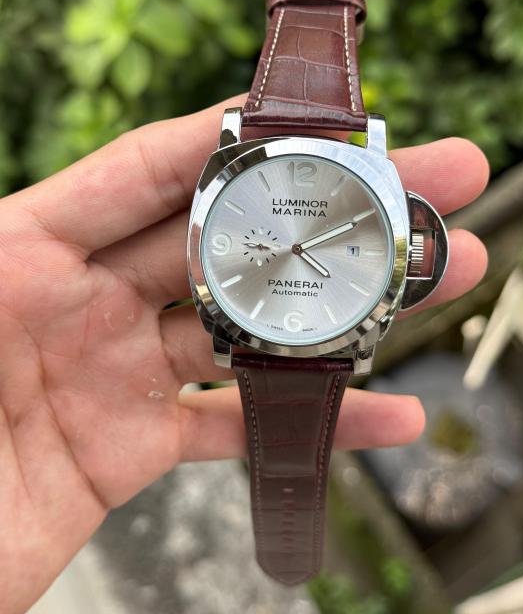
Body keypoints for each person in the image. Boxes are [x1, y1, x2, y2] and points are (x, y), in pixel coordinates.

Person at [0, 94, 489, 613]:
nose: (297, 247)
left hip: (305, 329)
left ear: (410, 255)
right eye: (294, 245)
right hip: (267, 324)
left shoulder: (251, 155)